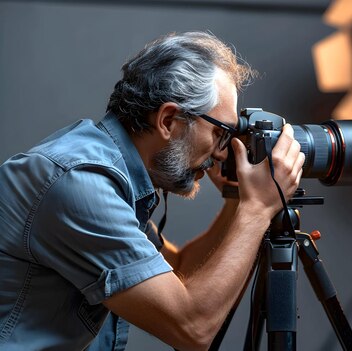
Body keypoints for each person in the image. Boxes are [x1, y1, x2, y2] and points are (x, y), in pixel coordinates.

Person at [0, 31, 305, 350]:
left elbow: (180, 270)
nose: (221, 153)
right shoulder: (81, 183)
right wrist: (256, 209)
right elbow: (193, 329)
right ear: (169, 120)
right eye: (220, 133)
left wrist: (236, 200)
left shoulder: (113, 172)